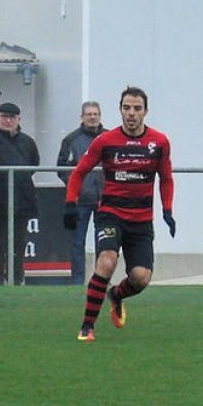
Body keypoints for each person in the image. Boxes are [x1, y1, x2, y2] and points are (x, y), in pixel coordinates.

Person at [62, 86, 175, 342]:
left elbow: (166, 178)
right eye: (126, 108)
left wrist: (167, 210)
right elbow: (79, 172)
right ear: (120, 110)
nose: (131, 113)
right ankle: (87, 326)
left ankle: (117, 295)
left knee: (141, 278)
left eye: (137, 108)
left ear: (145, 111)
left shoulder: (159, 142)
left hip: (142, 220)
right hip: (111, 214)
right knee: (107, 261)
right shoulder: (105, 141)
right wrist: (71, 203)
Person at [0, 102, 40, 285]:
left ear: (18, 119)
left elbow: (33, 164)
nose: (8, 121)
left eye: (12, 117)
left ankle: (17, 278)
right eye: (4, 117)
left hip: (22, 200)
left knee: (18, 244)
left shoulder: (27, 142)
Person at [56, 101, 105, 284]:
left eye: (95, 114)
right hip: (80, 201)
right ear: (82, 117)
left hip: (104, 201)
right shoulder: (71, 140)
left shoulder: (109, 138)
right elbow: (62, 168)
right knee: (77, 244)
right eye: (89, 114)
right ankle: (77, 282)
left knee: (104, 244)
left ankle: (101, 281)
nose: (92, 117)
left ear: (100, 116)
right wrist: (75, 186)